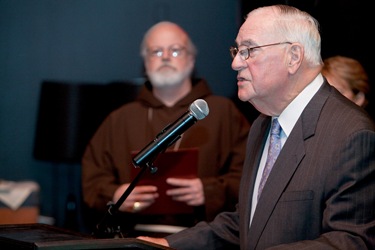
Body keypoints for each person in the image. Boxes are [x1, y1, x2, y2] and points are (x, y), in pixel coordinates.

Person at [137, 5, 375, 249]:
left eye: (249, 50)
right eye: (237, 51)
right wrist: (167, 245)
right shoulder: (263, 124)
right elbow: (247, 224)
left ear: (293, 56)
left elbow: (351, 240)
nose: (236, 63)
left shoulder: (351, 133)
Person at [81, 21, 250, 237]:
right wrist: (115, 195)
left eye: (175, 50)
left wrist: (210, 192)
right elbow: (93, 177)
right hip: (133, 235)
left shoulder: (224, 112)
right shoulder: (120, 118)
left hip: (205, 236)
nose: (166, 57)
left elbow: (252, 176)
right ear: (145, 62)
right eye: (156, 51)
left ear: (191, 58)